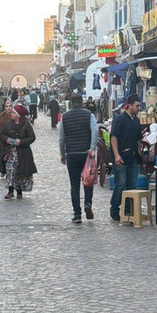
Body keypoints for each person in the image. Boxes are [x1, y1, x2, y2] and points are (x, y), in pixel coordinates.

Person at [58, 94, 98, 223]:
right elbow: (95, 131)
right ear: (82, 102)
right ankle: (88, 204)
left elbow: (61, 139)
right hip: (86, 154)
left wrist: (62, 154)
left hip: (72, 154)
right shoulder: (89, 115)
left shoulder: (65, 117)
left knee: (74, 185)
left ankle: (77, 214)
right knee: (88, 180)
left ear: (70, 103)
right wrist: (92, 148)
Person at [109, 98, 142, 221]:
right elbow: (113, 137)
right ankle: (114, 209)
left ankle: (128, 209)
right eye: (137, 106)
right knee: (120, 184)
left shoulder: (137, 121)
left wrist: (138, 151)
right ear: (130, 106)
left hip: (132, 157)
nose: (139, 109)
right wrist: (116, 155)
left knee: (132, 185)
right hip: (121, 157)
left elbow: (138, 138)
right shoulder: (120, 119)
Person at [0, 104, 37, 199]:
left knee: (20, 172)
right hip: (10, 152)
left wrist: (21, 142)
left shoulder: (26, 124)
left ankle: (19, 191)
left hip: (22, 153)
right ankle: (10, 191)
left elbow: (32, 137)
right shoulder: (8, 124)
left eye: (13, 112)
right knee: (10, 171)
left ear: (18, 115)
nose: (11, 114)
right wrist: (7, 139)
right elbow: (2, 135)